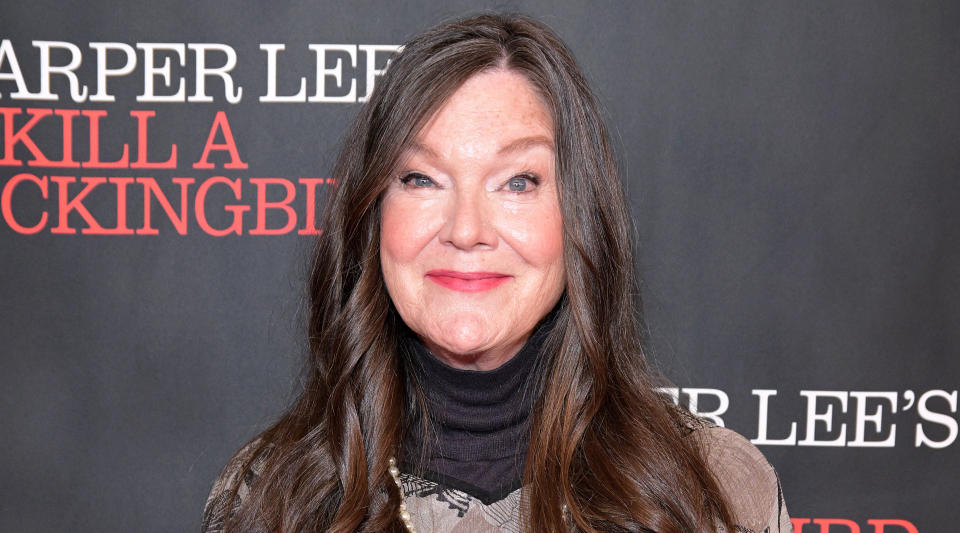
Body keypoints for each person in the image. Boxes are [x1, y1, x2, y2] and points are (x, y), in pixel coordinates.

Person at [202, 13, 792, 533]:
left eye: (518, 182)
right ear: (372, 213)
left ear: (580, 215)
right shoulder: (272, 497)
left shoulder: (714, 491)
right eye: (421, 179)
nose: (466, 229)